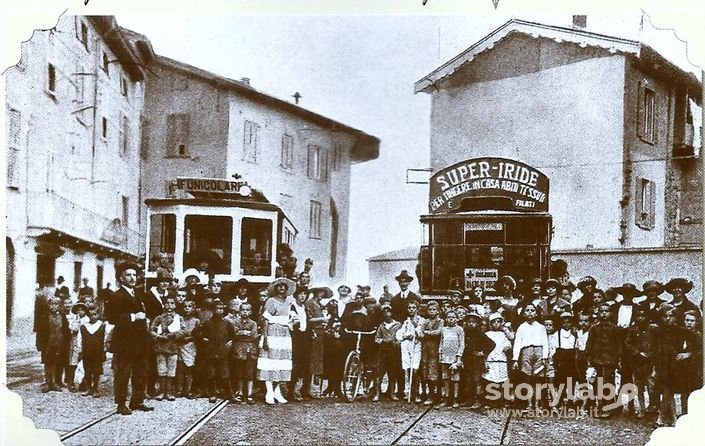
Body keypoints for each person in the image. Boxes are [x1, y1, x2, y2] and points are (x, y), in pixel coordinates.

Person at [104, 262, 154, 415]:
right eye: (128, 275)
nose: (132, 278)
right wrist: (133, 316)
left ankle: (137, 401)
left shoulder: (138, 294)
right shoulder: (116, 295)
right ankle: (121, 404)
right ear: (121, 278)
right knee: (123, 373)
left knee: (141, 371)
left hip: (140, 341)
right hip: (124, 342)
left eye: (134, 275)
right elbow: (111, 317)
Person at [257, 277, 296, 405]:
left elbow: (292, 319)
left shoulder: (288, 303)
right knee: (270, 362)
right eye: (278, 286)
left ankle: (277, 391)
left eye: (283, 286)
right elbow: (265, 321)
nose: (281, 288)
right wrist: (265, 338)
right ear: (275, 288)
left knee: (281, 362)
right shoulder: (271, 301)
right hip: (272, 333)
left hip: (284, 335)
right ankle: (269, 392)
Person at [585, 303, 622, 418]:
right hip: (597, 360)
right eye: (602, 311)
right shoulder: (594, 328)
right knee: (598, 384)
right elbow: (589, 344)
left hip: (610, 361)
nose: (604, 313)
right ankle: (600, 406)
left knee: (609, 383)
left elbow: (619, 345)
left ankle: (609, 406)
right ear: (598, 313)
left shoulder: (615, 329)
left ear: (610, 313)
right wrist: (589, 359)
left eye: (606, 311)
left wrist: (618, 359)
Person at [197, 298, 236, 403]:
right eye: (218, 309)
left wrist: (231, 342)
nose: (220, 311)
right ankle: (213, 394)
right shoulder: (207, 323)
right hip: (210, 352)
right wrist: (203, 339)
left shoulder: (227, 323)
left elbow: (233, 336)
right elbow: (196, 333)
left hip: (223, 352)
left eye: (222, 309)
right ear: (213, 310)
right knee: (211, 374)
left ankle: (230, 394)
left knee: (225, 374)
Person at [512, 303, 548, 412]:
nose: (530, 312)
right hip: (525, 352)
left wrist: (545, 356)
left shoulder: (541, 327)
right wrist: (515, 359)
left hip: (539, 351)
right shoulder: (521, 327)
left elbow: (545, 342)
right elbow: (517, 343)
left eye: (532, 310)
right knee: (527, 379)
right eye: (527, 310)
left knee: (538, 379)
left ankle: (536, 404)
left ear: (536, 313)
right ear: (523, 313)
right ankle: (528, 404)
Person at [624, 307, 655, 418]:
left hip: (650, 363)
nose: (641, 318)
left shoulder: (652, 330)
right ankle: (642, 409)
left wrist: (650, 354)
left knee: (652, 386)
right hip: (637, 363)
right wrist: (637, 353)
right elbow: (627, 343)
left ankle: (653, 407)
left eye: (643, 316)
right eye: (638, 316)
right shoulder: (632, 330)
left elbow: (656, 344)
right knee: (639, 386)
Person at [151, 295, 183, 401]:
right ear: (164, 304)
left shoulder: (179, 318)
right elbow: (152, 330)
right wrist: (159, 336)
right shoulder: (159, 318)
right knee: (161, 369)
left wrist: (174, 335)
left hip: (173, 347)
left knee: (171, 370)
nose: (169, 305)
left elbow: (184, 331)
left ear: (175, 304)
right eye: (167, 303)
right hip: (160, 347)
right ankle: (161, 392)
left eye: (172, 303)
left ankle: (169, 392)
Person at [462, 309, 495, 409]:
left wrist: (482, 352)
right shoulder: (465, 333)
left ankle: (478, 400)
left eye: (473, 322)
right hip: (467, 360)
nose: (471, 324)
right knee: (468, 381)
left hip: (476, 361)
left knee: (477, 381)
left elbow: (491, 344)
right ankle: (469, 399)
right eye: (469, 322)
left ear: (477, 323)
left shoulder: (480, 334)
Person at [36, 296, 69, 393]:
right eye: (52, 304)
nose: (54, 306)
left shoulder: (62, 316)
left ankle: (56, 382)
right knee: (48, 362)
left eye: (56, 304)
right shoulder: (44, 317)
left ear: (59, 306)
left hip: (59, 343)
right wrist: (40, 345)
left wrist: (66, 343)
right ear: (49, 305)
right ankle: (48, 382)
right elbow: (40, 332)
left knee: (58, 362)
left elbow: (66, 331)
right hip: (48, 343)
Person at [396, 299, 425, 402]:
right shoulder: (406, 321)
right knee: (407, 369)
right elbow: (399, 334)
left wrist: (416, 327)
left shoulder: (421, 320)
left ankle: (417, 393)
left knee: (415, 369)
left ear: (417, 309)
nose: (411, 310)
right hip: (406, 346)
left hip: (416, 346)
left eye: (413, 308)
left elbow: (422, 334)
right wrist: (405, 335)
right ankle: (409, 392)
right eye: (409, 308)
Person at [231, 303, 259, 404]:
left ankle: (250, 394)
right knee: (240, 373)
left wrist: (242, 333)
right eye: (243, 310)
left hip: (250, 350)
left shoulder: (253, 323)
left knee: (249, 373)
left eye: (247, 310)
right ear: (239, 311)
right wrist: (244, 333)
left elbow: (253, 336)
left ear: (250, 312)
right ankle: (240, 392)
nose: (245, 312)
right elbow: (235, 334)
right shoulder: (235, 322)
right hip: (239, 350)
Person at [483, 313, 512, 409]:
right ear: (490, 324)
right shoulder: (487, 334)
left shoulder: (503, 335)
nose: (496, 324)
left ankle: (504, 401)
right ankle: (492, 402)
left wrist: (507, 347)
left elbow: (509, 343)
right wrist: (485, 361)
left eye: (498, 322)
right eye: (494, 322)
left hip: (501, 360)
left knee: (503, 380)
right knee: (491, 380)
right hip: (491, 360)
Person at [306, 286, 332, 394]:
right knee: (311, 359)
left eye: (323, 293)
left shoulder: (321, 305)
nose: (322, 295)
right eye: (321, 292)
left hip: (321, 333)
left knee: (318, 359)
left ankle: (312, 386)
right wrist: (321, 319)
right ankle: (306, 387)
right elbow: (308, 319)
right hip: (313, 332)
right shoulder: (310, 303)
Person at [374, 303, 402, 402]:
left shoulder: (398, 325)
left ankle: (392, 393)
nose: (386, 314)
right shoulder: (381, 326)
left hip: (394, 352)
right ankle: (377, 393)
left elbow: (401, 337)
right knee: (379, 373)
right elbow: (376, 338)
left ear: (392, 312)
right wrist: (383, 341)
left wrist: (396, 342)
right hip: (383, 352)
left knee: (392, 373)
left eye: (388, 311)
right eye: (384, 312)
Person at [438, 310, 465, 408]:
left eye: (453, 317)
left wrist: (459, 357)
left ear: (457, 319)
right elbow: (441, 342)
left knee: (455, 378)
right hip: (445, 357)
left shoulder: (459, 330)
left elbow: (462, 344)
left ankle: (455, 398)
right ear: (446, 318)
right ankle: (446, 398)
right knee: (445, 378)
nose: (451, 319)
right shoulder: (444, 329)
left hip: (455, 358)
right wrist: (440, 354)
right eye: (449, 317)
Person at [679, 310, 702, 416]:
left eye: (692, 321)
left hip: (695, 370)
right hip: (683, 369)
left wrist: (690, 354)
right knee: (684, 393)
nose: (689, 323)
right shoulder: (681, 335)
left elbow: (701, 352)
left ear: (696, 322)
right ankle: (684, 414)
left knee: (694, 394)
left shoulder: (699, 336)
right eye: (687, 320)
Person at [289, 286, 311, 401]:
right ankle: (291, 390)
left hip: (304, 337)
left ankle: (300, 389)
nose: (303, 296)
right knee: (295, 364)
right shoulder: (292, 307)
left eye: (305, 294)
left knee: (303, 364)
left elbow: (306, 322)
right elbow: (292, 323)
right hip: (296, 337)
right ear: (296, 295)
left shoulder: (304, 307)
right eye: (301, 294)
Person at [420, 301, 443, 405]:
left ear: (438, 311)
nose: (432, 311)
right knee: (425, 369)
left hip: (436, 348)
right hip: (426, 348)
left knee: (434, 370)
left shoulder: (440, 321)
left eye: (434, 309)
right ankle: (428, 393)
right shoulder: (425, 321)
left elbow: (438, 332)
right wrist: (426, 333)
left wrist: (427, 333)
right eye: (430, 310)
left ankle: (436, 394)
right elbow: (420, 333)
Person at [176, 299, 200, 398]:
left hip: (191, 346)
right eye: (185, 306)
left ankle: (188, 389)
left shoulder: (196, 321)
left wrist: (190, 338)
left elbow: (198, 335)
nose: (187, 309)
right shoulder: (179, 319)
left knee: (189, 368)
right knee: (180, 368)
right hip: (180, 344)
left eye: (189, 306)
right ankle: (179, 390)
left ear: (193, 308)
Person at [80, 306, 106, 397]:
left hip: (98, 352)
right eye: (90, 315)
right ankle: (88, 388)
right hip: (87, 352)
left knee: (96, 371)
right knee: (87, 370)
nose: (93, 317)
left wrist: (105, 350)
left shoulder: (102, 325)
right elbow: (80, 339)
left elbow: (105, 339)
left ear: (98, 314)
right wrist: (80, 350)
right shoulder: (84, 327)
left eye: (95, 314)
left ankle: (95, 388)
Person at [66, 301, 88, 392]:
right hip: (75, 342)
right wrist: (76, 322)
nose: (80, 312)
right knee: (73, 363)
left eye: (82, 310)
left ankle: (84, 383)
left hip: (85, 342)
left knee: (84, 364)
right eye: (78, 310)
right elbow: (72, 328)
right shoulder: (75, 319)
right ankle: (71, 383)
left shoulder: (87, 319)